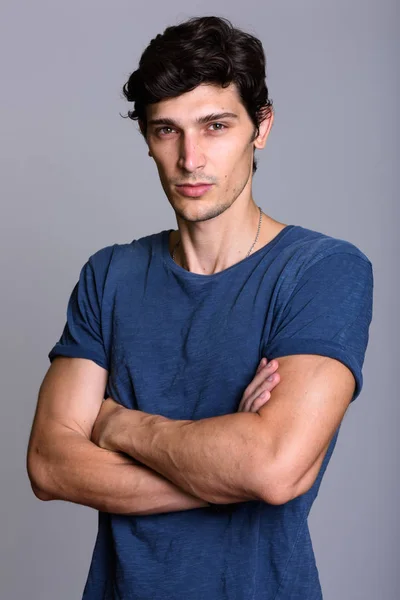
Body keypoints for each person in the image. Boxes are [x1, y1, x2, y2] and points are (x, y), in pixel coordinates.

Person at [26, 15, 374, 600]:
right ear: (147, 139)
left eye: (215, 126)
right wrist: (235, 473)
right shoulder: (109, 275)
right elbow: (49, 464)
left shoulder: (322, 270)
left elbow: (271, 465)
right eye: (167, 131)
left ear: (260, 128)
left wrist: (121, 424)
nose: (191, 159)